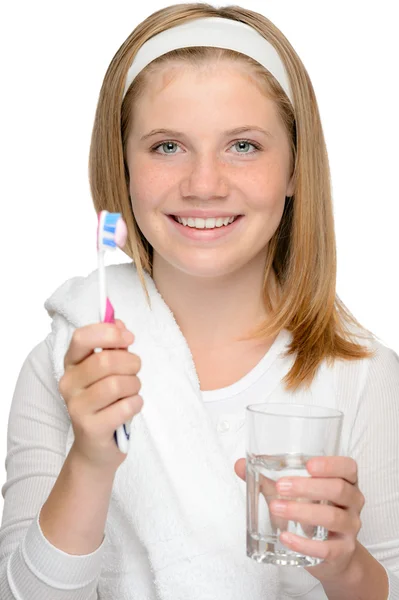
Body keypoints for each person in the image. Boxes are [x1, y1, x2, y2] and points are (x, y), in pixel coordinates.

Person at [1, 3, 398, 599]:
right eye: (166, 147)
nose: (205, 183)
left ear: (295, 168)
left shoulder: (363, 378)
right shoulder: (68, 364)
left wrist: (345, 568)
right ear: (124, 167)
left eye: (243, 145)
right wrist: (89, 460)